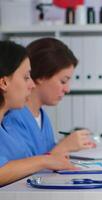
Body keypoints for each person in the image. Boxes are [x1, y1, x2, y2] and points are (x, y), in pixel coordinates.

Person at [3, 38, 95, 156]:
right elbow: (21, 168)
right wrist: (63, 148)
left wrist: (66, 145)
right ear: (41, 76)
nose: (67, 89)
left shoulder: (42, 116)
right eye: (63, 81)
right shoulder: (13, 118)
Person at [0, 41, 75, 186]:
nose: (32, 84)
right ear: (4, 83)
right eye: (26, 77)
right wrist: (45, 159)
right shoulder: (12, 121)